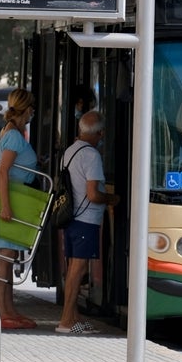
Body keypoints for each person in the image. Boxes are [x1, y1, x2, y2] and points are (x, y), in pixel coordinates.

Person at [56, 111, 119, 335]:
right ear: (99, 133)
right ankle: (66, 321)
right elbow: (93, 194)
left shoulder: (70, 151)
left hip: (72, 218)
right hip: (86, 218)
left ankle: (72, 316)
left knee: (73, 267)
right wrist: (112, 199)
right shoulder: (91, 155)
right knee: (78, 269)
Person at [0, 88, 38, 330]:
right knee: (5, 257)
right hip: (10, 198)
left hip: (13, 197)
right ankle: (2, 310)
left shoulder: (11, 132)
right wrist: (6, 206)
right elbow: (3, 170)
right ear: (27, 108)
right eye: (32, 106)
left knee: (8, 257)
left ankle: (9, 308)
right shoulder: (13, 135)